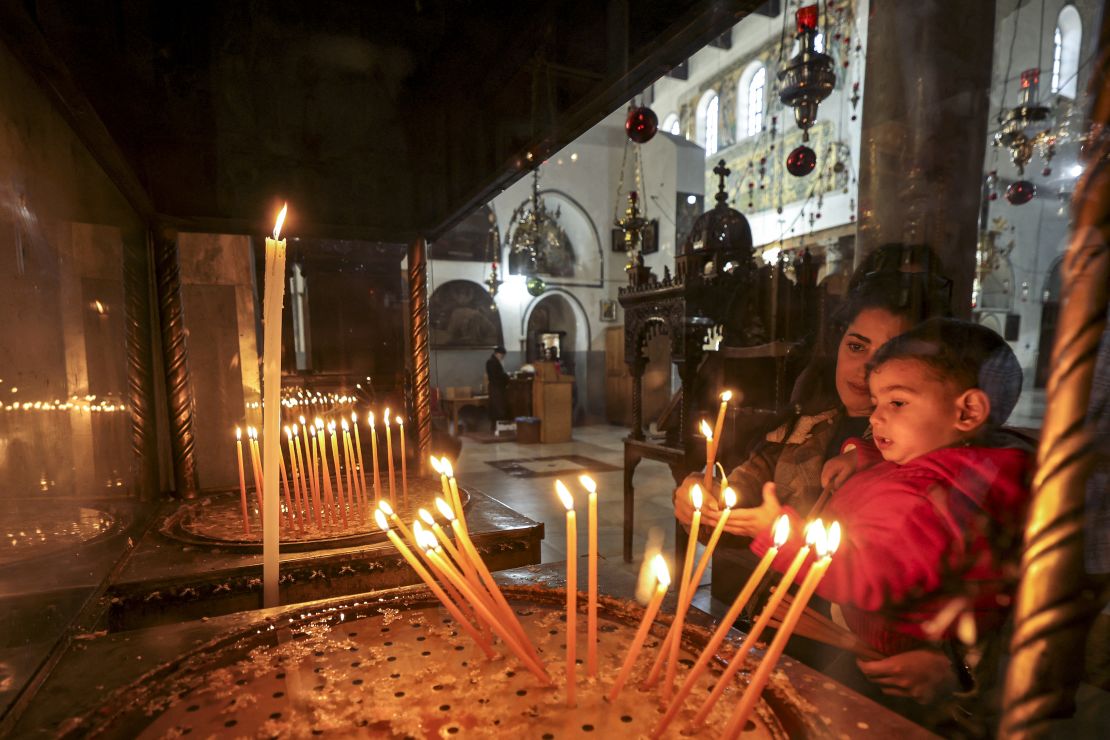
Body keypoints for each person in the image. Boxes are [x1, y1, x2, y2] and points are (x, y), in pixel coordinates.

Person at [738, 318, 1030, 729]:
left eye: (896, 403)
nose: (875, 418)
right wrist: (860, 454)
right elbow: (917, 464)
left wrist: (780, 537)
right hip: (895, 648)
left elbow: (870, 577)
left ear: (967, 411)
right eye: (875, 404)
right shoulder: (961, 469)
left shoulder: (923, 503)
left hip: (900, 674)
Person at [486, 345, 510, 431]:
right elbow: (496, 376)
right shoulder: (492, 362)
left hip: (497, 387)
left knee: (497, 408)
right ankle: (496, 428)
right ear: (497, 354)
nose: (502, 357)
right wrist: (506, 377)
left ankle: (496, 427)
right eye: (502, 355)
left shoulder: (494, 361)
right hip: (496, 388)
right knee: (497, 408)